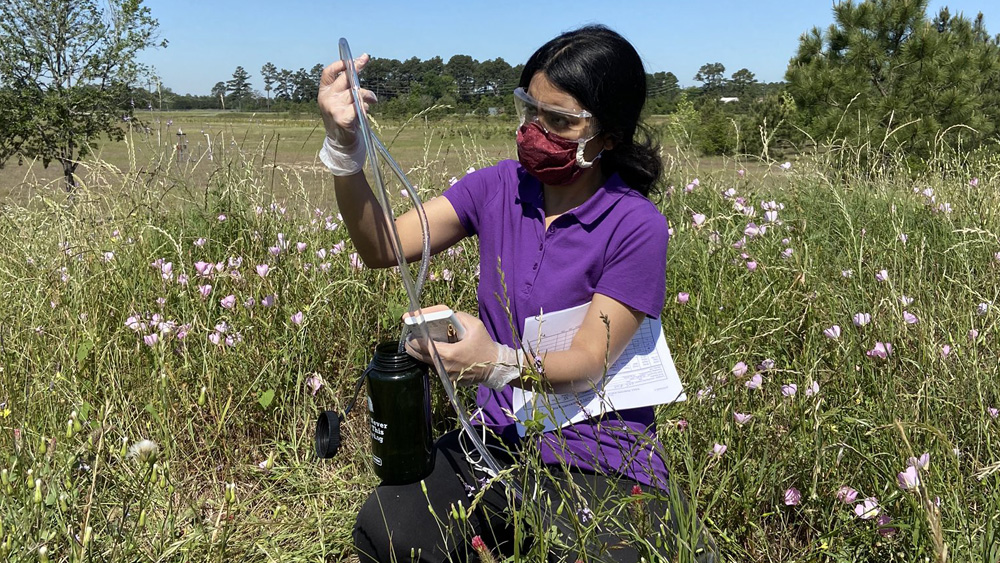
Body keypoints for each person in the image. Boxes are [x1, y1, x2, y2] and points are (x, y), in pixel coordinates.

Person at [319, 25, 714, 563]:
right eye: (529, 108)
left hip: (594, 454)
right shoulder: (500, 186)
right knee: (388, 533)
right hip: (494, 438)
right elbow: (384, 245)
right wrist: (345, 151)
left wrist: (496, 361)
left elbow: (588, 360)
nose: (534, 129)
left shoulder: (634, 225)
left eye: (559, 120)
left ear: (609, 135)